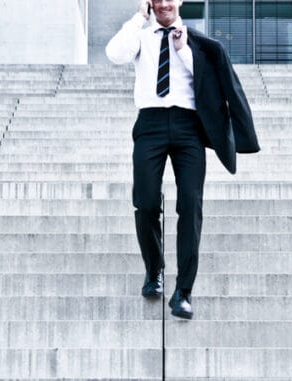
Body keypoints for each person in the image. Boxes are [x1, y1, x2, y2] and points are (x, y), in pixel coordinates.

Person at [105, 0, 260, 319]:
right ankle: (154, 270)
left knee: (191, 205)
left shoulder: (198, 43)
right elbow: (115, 54)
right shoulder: (141, 37)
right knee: (145, 202)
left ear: (180, 1)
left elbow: (211, 84)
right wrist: (138, 19)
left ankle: (184, 292)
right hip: (150, 125)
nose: (164, 3)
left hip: (190, 128)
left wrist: (183, 51)